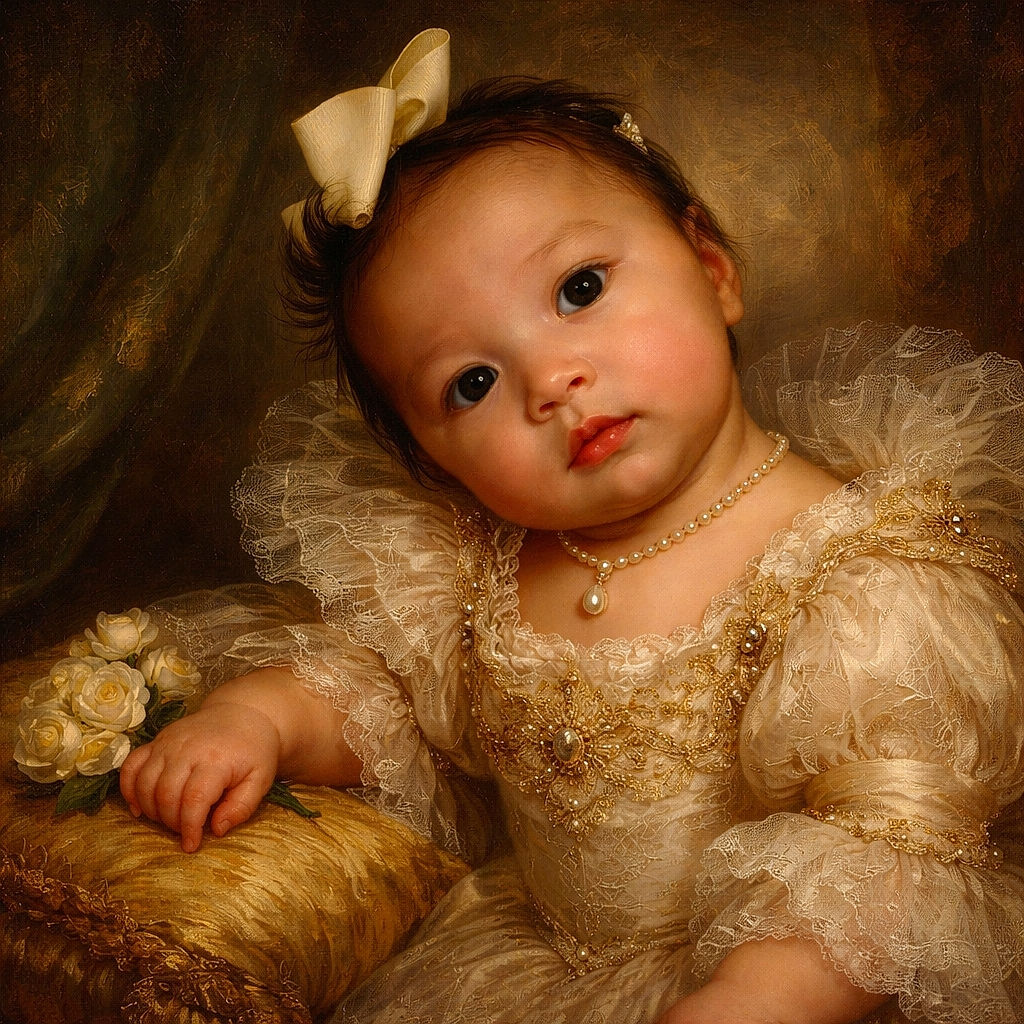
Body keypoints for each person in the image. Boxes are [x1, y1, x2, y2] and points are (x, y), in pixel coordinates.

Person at [118, 29, 1024, 1024]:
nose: (552, 382)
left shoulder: (863, 575)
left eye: (579, 289)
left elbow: (882, 859)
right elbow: (385, 698)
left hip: (773, 987)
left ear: (712, 268)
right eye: (471, 382)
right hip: (516, 970)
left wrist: (746, 1002)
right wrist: (259, 717)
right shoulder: (475, 567)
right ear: (435, 459)